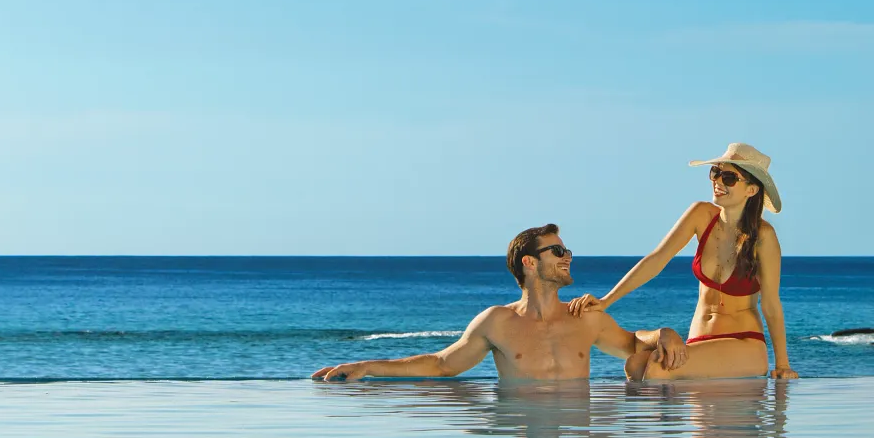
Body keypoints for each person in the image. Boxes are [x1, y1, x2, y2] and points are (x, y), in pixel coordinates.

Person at [311, 224, 689, 382]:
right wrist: (368, 366)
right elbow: (443, 364)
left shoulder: (585, 318)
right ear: (530, 262)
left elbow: (633, 346)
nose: (567, 256)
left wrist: (664, 333)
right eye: (557, 250)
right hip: (518, 434)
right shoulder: (497, 321)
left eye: (567, 249)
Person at [570, 143, 798, 381]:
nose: (718, 181)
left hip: (743, 343)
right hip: (698, 339)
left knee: (656, 369)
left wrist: (782, 364)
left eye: (729, 177)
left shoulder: (763, 236)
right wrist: (606, 301)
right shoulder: (701, 215)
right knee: (636, 365)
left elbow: (771, 304)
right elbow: (656, 260)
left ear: (751, 190)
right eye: (715, 173)